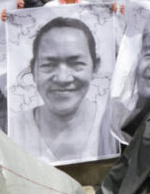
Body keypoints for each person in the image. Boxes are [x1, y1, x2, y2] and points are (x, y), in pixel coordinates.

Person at [13, 16, 114, 161]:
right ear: (33, 69)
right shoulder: (13, 130)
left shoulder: (112, 128)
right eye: (48, 65)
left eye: (76, 63)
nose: (62, 78)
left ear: (95, 67)